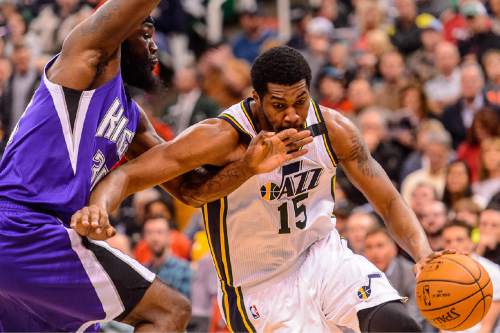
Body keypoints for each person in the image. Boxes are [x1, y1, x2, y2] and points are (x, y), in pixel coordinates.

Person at [73, 46, 442, 332]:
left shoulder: (333, 129)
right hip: (258, 285)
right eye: (279, 106)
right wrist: (99, 205)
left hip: (322, 256)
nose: (292, 115)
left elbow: (389, 199)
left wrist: (422, 253)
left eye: (300, 101)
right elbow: (133, 175)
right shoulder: (223, 136)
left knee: (399, 324)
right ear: (256, 97)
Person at [0, 1, 309, 331]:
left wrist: (248, 167)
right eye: (145, 33)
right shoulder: (82, 63)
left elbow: (189, 190)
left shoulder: (133, 120)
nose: (153, 46)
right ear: (117, 33)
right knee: (168, 312)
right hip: (22, 226)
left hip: (43, 245)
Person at [441, 220, 500, 333]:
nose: (453, 244)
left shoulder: (493, 272)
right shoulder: (438, 275)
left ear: (472, 241)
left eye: (459, 239)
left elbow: (487, 327)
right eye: (448, 241)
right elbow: (442, 324)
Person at [143, 215, 192, 299]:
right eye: (149, 232)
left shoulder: (184, 269)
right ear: (144, 237)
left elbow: (186, 305)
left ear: (169, 236)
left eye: (159, 232)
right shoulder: (142, 271)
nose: (154, 238)